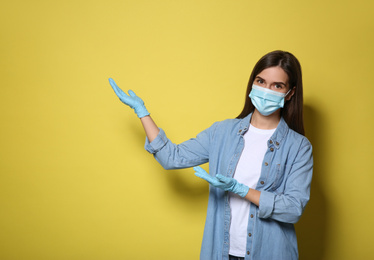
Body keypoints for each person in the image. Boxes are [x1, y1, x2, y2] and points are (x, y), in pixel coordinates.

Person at [109, 50, 313, 260]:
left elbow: (293, 209)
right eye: (261, 81)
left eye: (277, 86)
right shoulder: (221, 132)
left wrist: (240, 189)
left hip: (271, 253)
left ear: (289, 93)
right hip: (220, 252)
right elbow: (173, 157)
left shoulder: (299, 147)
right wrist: (142, 112)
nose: (266, 90)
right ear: (252, 83)